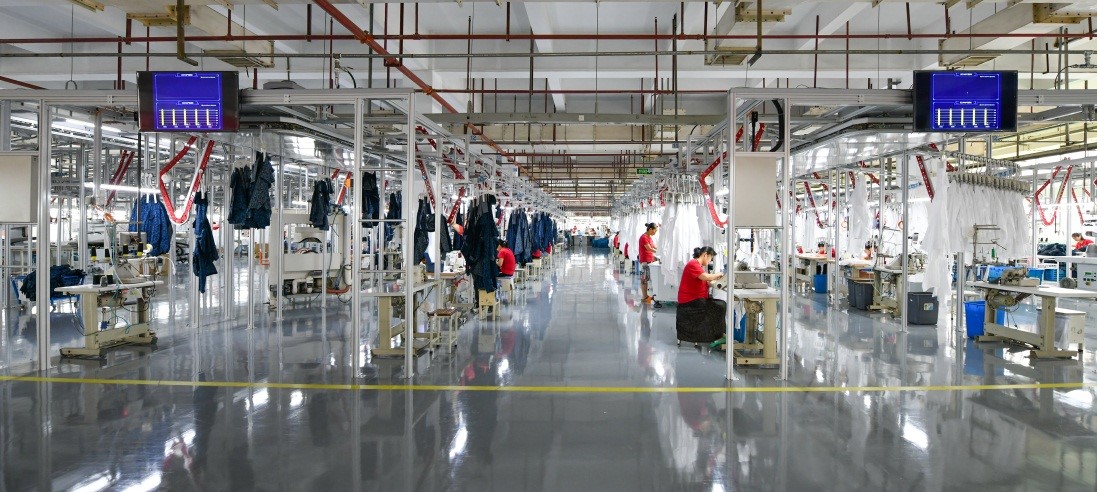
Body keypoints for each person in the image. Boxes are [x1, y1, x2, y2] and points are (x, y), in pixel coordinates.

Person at [675, 246, 727, 344]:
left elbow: (703, 280)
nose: (710, 260)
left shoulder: (697, 266)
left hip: (695, 298)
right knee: (720, 307)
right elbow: (704, 277)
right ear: (705, 255)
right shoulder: (693, 264)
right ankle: (717, 336)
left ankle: (717, 335)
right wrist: (718, 274)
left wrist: (712, 281)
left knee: (720, 305)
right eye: (710, 258)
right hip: (690, 300)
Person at [638, 223, 658, 303]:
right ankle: (644, 297)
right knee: (644, 279)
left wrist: (661, 249)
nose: (655, 233)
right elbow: (649, 248)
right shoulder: (644, 237)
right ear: (650, 229)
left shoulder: (649, 237)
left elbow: (654, 246)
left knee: (646, 278)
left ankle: (646, 296)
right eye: (655, 231)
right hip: (645, 261)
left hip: (649, 260)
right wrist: (658, 252)